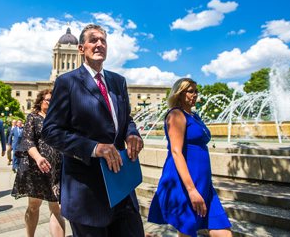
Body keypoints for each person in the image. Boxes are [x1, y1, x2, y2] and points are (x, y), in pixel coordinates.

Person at [42, 24, 145, 236]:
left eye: (103, 40)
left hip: (121, 185)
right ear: (81, 49)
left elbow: (126, 120)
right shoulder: (66, 82)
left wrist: (132, 133)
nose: (99, 44)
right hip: (86, 192)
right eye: (93, 40)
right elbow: (51, 131)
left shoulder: (118, 82)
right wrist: (94, 148)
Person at [148, 78, 232, 237]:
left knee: (223, 230)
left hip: (204, 183)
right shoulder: (176, 115)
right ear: (180, 94)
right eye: (190, 91)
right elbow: (176, 152)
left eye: (196, 91)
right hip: (186, 182)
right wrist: (191, 190)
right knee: (187, 231)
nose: (195, 95)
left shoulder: (194, 116)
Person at [12, 89, 65, 237]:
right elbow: (28, 140)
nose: (51, 102)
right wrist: (38, 157)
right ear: (41, 101)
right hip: (36, 169)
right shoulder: (33, 117)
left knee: (56, 208)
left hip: (56, 169)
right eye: (48, 100)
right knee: (34, 206)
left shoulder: (59, 120)